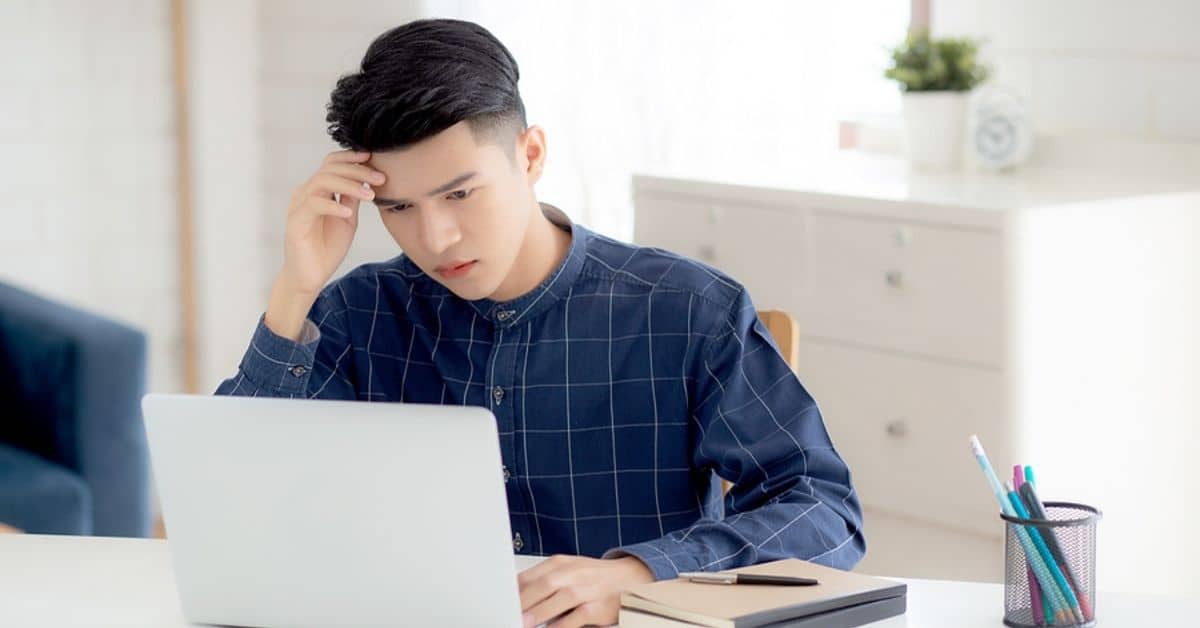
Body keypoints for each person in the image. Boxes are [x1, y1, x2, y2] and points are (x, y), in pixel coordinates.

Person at [216, 18, 864, 628]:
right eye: (399, 207)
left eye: (459, 194)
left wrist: (642, 573)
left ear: (529, 156)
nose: (435, 237)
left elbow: (824, 511)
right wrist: (295, 288)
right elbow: (230, 503)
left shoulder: (686, 308)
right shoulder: (359, 312)